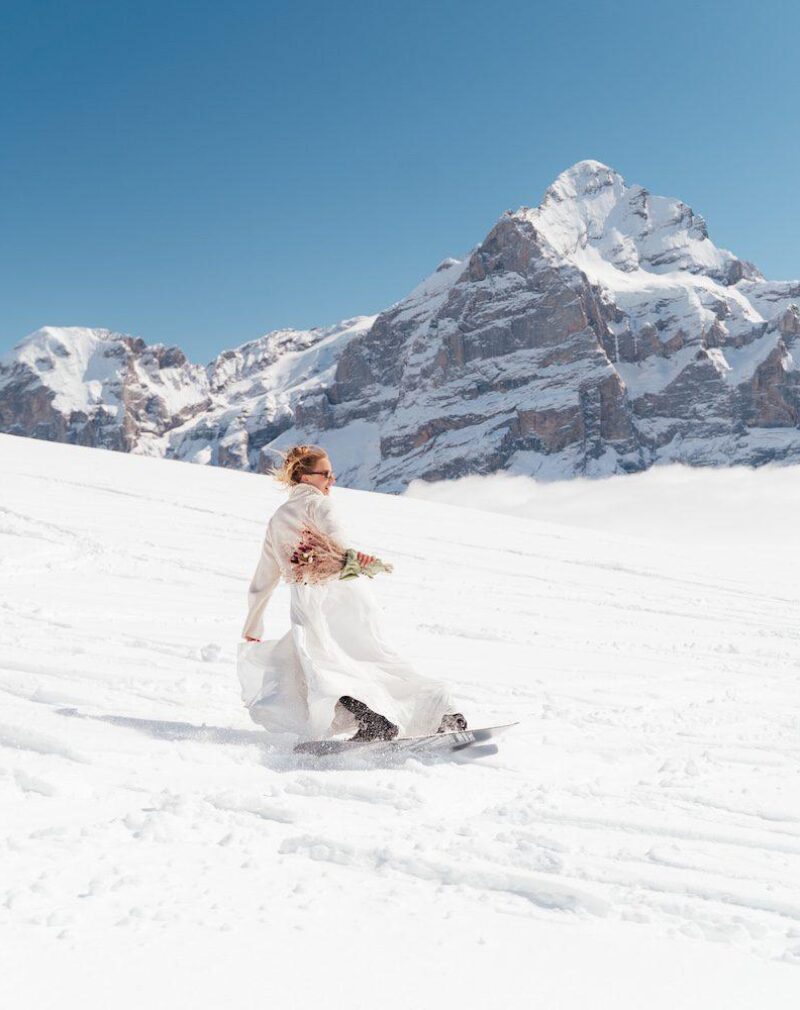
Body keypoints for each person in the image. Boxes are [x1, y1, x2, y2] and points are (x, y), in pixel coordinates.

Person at [238, 444, 467, 742]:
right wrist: (356, 566)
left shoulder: (278, 519)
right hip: (342, 596)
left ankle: (383, 720)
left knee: (325, 667)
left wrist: (253, 624)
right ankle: (436, 714)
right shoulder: (320, 505)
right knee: (368, 662)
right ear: (306, 477)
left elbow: (264, 577)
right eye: (326, 474)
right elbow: (342, 549)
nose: (332, 480)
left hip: (312, 600)